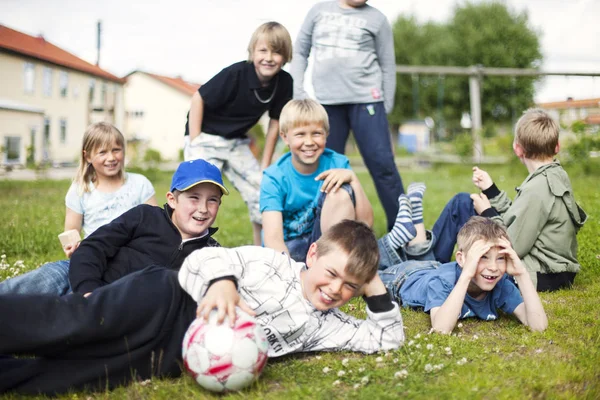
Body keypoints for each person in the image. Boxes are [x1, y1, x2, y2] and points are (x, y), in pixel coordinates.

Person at [0, 220, 404, 395]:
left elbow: (388, 338)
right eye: (332, 273)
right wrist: (224, 284)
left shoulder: (327, 325)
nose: (335, 289)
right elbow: (200, 261)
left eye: (350, 286)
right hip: (164, 301)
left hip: (176, 353)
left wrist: (372, 282)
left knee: (75, 375)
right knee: (74, 324)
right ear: (312, 253)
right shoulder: (272, 263)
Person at [0, 122, 157, 296]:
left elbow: (156, 226)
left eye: (116, 150)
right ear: (88, 156)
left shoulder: (139, 184)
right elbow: (71, 231)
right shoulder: (80, 189)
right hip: (89, 259)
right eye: (102, 152)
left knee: (74, 302)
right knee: (46, 278)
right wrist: (73, 246)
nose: (111, 157)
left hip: (128, 264)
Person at [290, 0, 405, 231]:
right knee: (326, 171)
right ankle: (325, 232)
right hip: (327, 104)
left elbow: (387, 65)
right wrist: (298, 90)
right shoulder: (318, 11)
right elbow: (301, 51)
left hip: (368, 101)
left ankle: (404, 232)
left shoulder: (377, 19)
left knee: (383, 165)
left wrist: (386, 105)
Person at [184, 21, 293, 245]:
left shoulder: (284, 82)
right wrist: (195, 143)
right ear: (252, 52)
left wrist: (265, 164)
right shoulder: (236, 73)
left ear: (286, 56)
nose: (269, 57)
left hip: (236, 143)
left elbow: (275, 123)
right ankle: (187, 247)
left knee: (262, 189)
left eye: (277, 52)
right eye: (263, 50)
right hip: (206, 137)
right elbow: (198, 98)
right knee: (197, 191)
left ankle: (262, 250)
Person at [69, 158, 227, 295]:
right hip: (97, 293)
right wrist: (88, 291)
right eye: (194, 197)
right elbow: (94, 246)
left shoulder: (211, 253)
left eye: (212, 200)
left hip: (142, 319)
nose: (203, 208)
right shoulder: (145, 216)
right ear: (172, 200)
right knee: (51, 276)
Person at [470, 108, 587, 291]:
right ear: (557, 146)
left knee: (463, 204)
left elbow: (512, 246)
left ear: (518, 149)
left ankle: (434, 258)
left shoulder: (537, 189)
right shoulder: (555, 175)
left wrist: (487, 212)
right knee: (466, 202)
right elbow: (519, 218)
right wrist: (491, 190)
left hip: (543, 274)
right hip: (558, 271)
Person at [379, 216, 548, 334]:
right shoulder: (443, 282)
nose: (493, 267)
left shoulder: (500, 283)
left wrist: (522, 273)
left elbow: (538, 326)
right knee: (363, 272)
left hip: (437, 267)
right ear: (462, 259)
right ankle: (389, 243)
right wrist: (466, 274)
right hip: (404, 277)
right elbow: (441, 329)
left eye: (501, 258)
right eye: (483, 257)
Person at [260, 99, 373, 262]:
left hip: (327, 243)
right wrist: (290, 274)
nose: (309, 142)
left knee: (340, 192)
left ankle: (331, 264)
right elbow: (273, 240)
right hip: (288, 249)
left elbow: (365, 224)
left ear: (326, 134)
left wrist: (353, 180)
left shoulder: (337, 163)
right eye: (300, 134)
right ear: (285, 137)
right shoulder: (274, 177)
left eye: (316, 133)